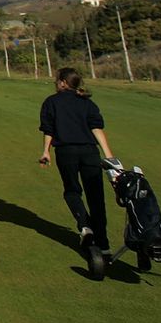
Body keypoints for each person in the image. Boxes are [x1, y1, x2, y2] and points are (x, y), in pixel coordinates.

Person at [38, 67, 118, 255]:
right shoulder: (87, 103)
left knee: (72, 191)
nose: (55, 83)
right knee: (96, 198)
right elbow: (97, 129)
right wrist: (108, 156)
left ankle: (85, 226)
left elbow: (49, 129)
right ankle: (104, 245)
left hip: (66, 152)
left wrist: (46, 152)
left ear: (63, 83)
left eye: (57, 80)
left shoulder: (51, 102)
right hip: (90, 152)